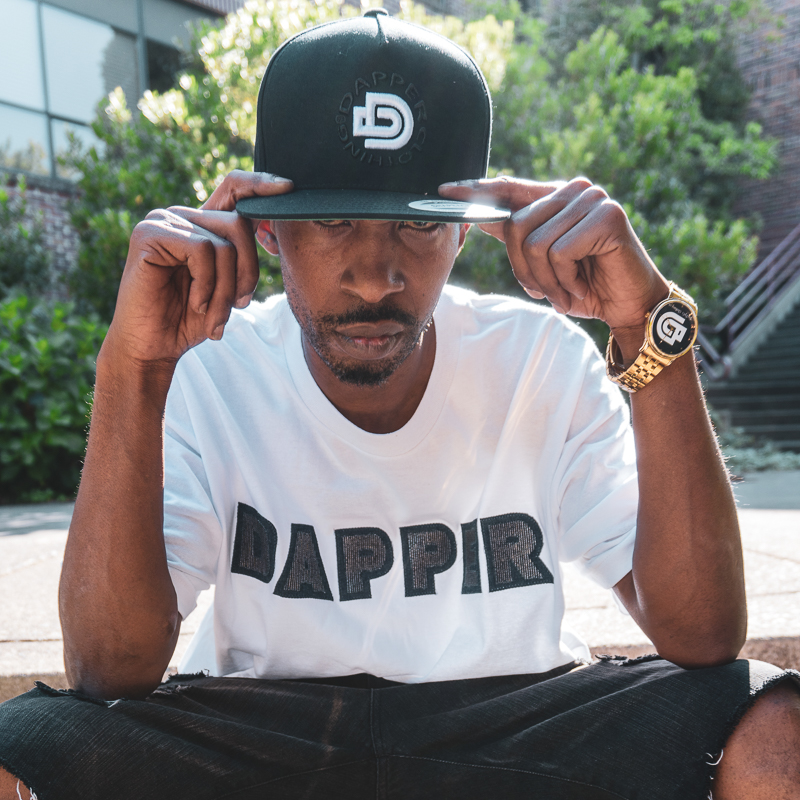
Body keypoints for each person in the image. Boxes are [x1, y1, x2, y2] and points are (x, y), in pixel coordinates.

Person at [1, 9, 799, 800]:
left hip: (510, 719)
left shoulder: (539, 359)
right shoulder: (212, 368)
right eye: (334, 220)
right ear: (266, 231)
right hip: (264, 729)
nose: (375, 275)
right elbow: (109, 667)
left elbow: (702, 634)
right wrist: (133, 369)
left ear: (464, 234)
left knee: (774, 730)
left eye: (418, 228)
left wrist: (648, 327)